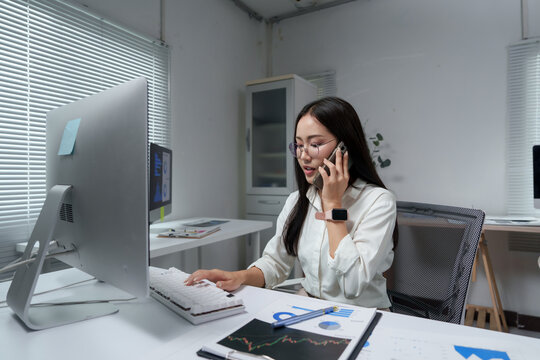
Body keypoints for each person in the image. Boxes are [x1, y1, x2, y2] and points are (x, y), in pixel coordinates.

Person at [185, 97, 397, 309]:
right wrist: (238, 276)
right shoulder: (297, 201)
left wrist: (332, 205)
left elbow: (352, 286)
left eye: (314, 145)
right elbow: (275, 263)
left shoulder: (378, 202)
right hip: (311, 308)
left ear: (344, 147)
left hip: (364, 316)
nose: (303, 156)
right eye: (298, 145)